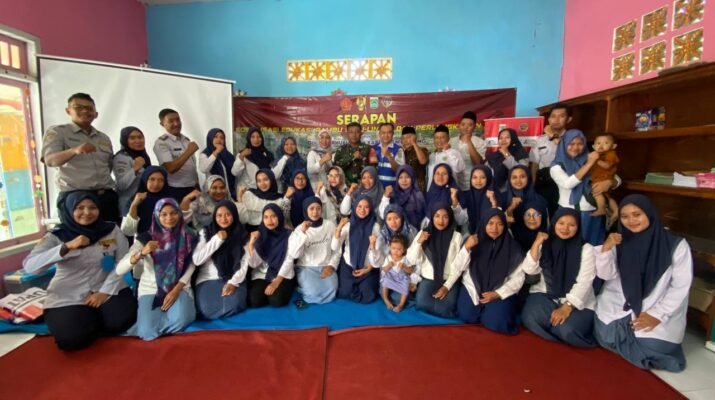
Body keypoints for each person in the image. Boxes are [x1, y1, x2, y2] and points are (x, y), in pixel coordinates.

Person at [23, 191, 136, 350]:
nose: (87, 212)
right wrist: (66, 247)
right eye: (80, 208)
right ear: (69, 210)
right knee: (72, 339)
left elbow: (122, 262)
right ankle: (84, 319)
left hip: (106, 286)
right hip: (69, 293)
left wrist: (104, 292)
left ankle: (93, 318)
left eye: (92, 207)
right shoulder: (56, 235)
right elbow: (30, 267)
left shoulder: (111, 230)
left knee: (122, 322)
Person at [593, 195, 692, 372]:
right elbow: (606, 275)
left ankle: (627, 344)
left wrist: (657, 314)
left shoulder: (675, 244)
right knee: (605, 334)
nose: (631, 221)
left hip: (656, 304)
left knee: (656, 346)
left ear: (649, 213)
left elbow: (681, 285)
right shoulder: (619, 239)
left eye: (637, 214)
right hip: (620, 302)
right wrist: (606, 249)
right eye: (625, 216)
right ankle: (628, 344)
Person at [116, 198, 197, 341]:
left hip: (179, 287)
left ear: (179, 214)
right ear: (156, 215)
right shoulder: (145, 238)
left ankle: (151, 326)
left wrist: (176, 290)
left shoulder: (189, 235)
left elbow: (191, 264)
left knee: (182, 320)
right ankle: (149, 326)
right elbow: (119, 270)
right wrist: (141, 253)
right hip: (151, 288)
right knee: (147, 332)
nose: (169, 218)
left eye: (173, 213)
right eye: (164, 214)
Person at [521, 208, 597, 347]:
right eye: (561, 223)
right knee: (531, 318)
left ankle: (556, 330)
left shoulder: (586, 249)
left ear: (578, 227)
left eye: (571, 225)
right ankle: (554, 330)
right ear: (554, 223)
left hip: (576, 299)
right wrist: (536, 244)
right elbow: (529, 269)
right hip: (546, 293)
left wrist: (567, 307)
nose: (565, 228)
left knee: (568, 330)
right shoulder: (545, 243)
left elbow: (584, 282)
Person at [42, 93, 120, 224]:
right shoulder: (58, 132)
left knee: (111, 235)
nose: (84, 111)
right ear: (68, 111)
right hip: (77, 199)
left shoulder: (103, 137)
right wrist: (74, 150)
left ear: (95, 114)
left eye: (89, 108)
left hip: (105, 197)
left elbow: (108, 166)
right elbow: (50, 160)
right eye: (78, 107)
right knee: (80, 236)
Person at [451, 209, 526, 334]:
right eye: (490, 223)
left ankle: (493, 310)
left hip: (500, 289)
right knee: (467, 316)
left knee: (497, 322)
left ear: (505, 226)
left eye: (499, 224)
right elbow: (458, 268)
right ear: (483, 223)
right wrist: (466, 248)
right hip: (474, 287)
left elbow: (519, 277)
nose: (494, 228)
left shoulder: (514, 248)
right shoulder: (472, 241)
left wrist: (498, 293)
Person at [191, 200, 248, 319]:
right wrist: (217, 239)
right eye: (219, 215)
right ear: (214, 216)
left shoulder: (242, 233)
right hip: (208, 278)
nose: (223, 219)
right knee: (205, 310)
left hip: (234, 277)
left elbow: (244, 263)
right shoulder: (205, 232)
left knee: (235, 305)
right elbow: (197, 260)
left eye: (228, 214)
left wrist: (233, 282)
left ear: (234, 215)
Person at [407, 203, 463, 318]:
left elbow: (459, 266)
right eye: (437, 216)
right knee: (422, 304)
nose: (441, 221)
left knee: (447, 309)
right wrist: (419, 243)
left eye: (445, 217)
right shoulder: (423, 233)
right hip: (429, 278)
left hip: (449, 280)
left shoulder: (457, 237)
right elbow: (411, 260)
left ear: (450, 218)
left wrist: (447, 286)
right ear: (432, 217)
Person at [550, 129, 605, 245]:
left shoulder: (591, 159)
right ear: (564, 144)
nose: (575, 147)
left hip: (594, 210)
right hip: (570, 211)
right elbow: (568, 184)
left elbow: (615, 177)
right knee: (573, 246)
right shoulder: (556, 167)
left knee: (594, 245)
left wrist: (610, 183)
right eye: (571, 144)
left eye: (580, 144)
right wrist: (589, 164)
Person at [288, 197, 341, 304]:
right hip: (306, 267)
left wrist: (331, 266)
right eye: (311, 208)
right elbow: (294, 254)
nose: (315, 212)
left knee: (333, 290)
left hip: (325, 265)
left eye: (318, 208)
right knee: (312, 293)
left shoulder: (329, 225)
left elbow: (337, 249)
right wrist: (303, 233)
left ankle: (310, 290)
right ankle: (303, 287)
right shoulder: (299, 228)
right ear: (305, 210)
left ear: (321, 210)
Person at [333, 196, 382, 303]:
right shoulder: (348, 225)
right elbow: (334, 247)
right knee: (344, 293)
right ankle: (354, 285)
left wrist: (368, 269)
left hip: (367, 267)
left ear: (371, 209)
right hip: (349, 266)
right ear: (354, 207)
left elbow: (378, 252)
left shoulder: (375, 227)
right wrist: (339, 228)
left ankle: (361, 284)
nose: (362, 210)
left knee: (367, 296)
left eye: (366, 207)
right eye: (359, 206)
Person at [247, 204, 296, 307]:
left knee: (276, 300)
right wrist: (251, 244)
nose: (269, 220)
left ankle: (289, 285)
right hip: (263, 274)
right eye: (266, 217)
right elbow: (253, 264)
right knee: (255, 301)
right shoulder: (260, 235)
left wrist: (276, 282)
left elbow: (289, 261)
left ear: (279, 217)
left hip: (282, 274)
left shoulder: (289, 235)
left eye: (273, 216)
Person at [530, 104, 571, 217]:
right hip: (544, 182)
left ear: (569, 119)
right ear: (548, 119)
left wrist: (552, 136)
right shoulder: (540, 140)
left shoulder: (574, 138)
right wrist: (532, 185)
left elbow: (569, 155)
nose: (556, 120)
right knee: (542, 213)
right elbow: (535, 164)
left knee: (561, 215)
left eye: (561, 116)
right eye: (553, 116)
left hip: (565, 182)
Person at [152, 108, 199, 202]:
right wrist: (188, 151)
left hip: (192, 187)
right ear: (162, 124)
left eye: (178, 120)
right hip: (176, 189)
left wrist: (197, 183)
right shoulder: (161, 142)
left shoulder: (186, 140)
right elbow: (170, 168)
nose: (176, 123)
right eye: (171, 121)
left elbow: (191, 166)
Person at [121, 166, 169, 237]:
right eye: (152, 179)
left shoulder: (169, 200)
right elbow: (127, 231)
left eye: (161, 180)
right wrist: (134, 205)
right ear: (145, 180)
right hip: (143, 241)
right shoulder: (135, 199)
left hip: (167, 239)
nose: (156, 184)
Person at [113, 126, 151, 216]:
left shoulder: (143, 156)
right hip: (128, 204)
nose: (137, 141)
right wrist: (135, 169)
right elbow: (121, 185)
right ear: (125, 140)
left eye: (140, 137)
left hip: (143, 202)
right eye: (132, 138)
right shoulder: (122, 157)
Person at [455, 165, 500, 235]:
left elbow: (499, 221)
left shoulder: (494, 195)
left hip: (491, 234)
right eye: (475, 177)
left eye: (483, 177)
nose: (478, 181)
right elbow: (461, 221)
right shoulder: (466, 196)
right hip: (471, 234)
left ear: (488, 178)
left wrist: (494, 202)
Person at [379, 165, 426, 229]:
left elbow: (423, 218)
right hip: (394, 231)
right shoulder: (392, 194)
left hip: (413, 232)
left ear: (412, 178)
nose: (404, 180)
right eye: (400, 177)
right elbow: (383, 215)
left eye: (407, 177)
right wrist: (386, 197)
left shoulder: (418, 195)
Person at [449, 111, 487, 190]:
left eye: (470, 125)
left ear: (474, 127)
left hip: (472, 184)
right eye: (463, 124)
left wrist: (469, 141)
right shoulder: (451, 141)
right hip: (454, 184)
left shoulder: (480, 142)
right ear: (459, 126)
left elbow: (478, 163)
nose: (465, 127)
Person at [486, 128, 529, 193]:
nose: (503, 140)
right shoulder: (493, 156)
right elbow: (487, 174)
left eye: (507, 137)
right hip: (496, 191)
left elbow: (521, 172)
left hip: (516, 191)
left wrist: (507, 154)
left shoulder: (521, 154)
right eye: (501, 138)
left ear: (513, 138)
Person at [198, 128, 237, 200]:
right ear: (210, 138)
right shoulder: (205, 154)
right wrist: (216, 152)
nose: (219, 140)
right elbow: (203, 169)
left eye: (222, 138)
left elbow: (235, 172)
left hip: (228, 192)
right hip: (213, 192)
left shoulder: (228, 155)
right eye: (215, 137)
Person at [380, 234, 415, 312]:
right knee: (385, 280)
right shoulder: (388, 258)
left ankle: (401, 304)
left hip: (402, 278)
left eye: (399, 249)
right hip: (391, 276)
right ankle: (386, 299)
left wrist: (405, 267)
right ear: (390, 248)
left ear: (404, 250)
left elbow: (411, 271)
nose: (395, 251)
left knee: (406, 286)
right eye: (393, 248)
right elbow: (383, 270)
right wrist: (388, 266)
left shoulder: (405, 259)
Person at [590, 133, 619, 219]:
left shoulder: (611, 154)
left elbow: (607, 166)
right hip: (597, 178)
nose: (601, 146)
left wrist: (596, 160)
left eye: (606, 143)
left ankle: (601, 209)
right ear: (593, 146)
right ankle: (616, 210)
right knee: (606, 196)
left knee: (597, 194)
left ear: (613, 146)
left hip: (603, 178)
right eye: (598, 143)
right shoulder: (596, 155)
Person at [427, 124, 464, 189]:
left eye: (442, 137)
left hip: (450, 192)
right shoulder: (431, 156)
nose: (439, 140)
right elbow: (430, 177)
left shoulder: (454, 152)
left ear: (448, 138)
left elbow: (459, 168)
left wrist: (447, 151)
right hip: (433, 192)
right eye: (437, 138)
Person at [373, 122, 405, 188]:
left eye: (389, 132)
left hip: (392, 189)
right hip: (376, 189)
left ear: (393, 134)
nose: (386, 135)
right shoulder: (373, 148)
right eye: (383, 132)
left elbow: (400, 170)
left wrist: (389, 156)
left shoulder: (398, 149)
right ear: (379, 134)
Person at [399, 126, 429, 191]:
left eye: (408, 137)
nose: (406, 140)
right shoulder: (402, 153)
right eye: (403, 138)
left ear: (415, 138)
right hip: (405, 189)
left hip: (418, 189)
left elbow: (423, 161)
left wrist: (414, 144)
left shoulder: (422, 150)